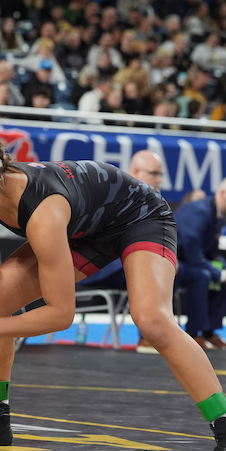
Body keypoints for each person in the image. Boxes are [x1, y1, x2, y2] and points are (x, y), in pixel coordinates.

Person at [0, 131, 226, 451]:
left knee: (152, 320)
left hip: (139, 216)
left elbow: (61, 314)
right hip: (85, 227)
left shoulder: (42, 211)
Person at [81, 150, 166, 354]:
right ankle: (149, 337)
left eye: (160, 174)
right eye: (154, 173)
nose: (159, 180)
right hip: (100, 265)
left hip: (126, 262)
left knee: (181, 272)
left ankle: (179, 333)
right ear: (135, 171)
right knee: (151, 270)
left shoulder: (152, 202)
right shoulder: (113, 194)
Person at [175, 176, 226, 350]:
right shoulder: (199, 212)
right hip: (170, 263)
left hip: (186, 263)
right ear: (222, 193)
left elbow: (212, 255)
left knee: (218, 277)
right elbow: (194, 255)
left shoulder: (217, 217)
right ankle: (193, 335)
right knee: (203, 275)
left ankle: (209, 334)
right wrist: (223, 275)